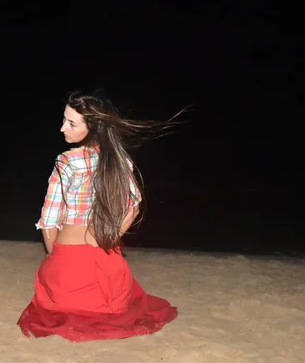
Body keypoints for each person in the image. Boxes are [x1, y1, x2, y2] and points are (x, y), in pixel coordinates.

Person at [17, 90, 184, 342]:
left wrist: (55, 257)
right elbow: (134, 206)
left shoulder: (67, 161)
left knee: (52, 285)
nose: (62, 128)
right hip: (109, 265)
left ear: (93, 127)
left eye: (71, 123)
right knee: (121, 298)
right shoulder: (120, 160)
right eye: (64, 119)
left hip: (69, 264)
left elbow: (50, 218)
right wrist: (112, 238)